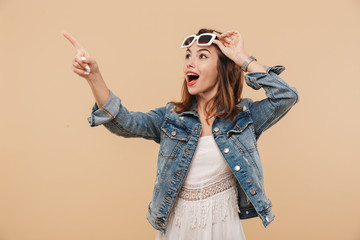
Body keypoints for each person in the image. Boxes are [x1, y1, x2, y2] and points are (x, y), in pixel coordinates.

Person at [63, 28, 299, 239]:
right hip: (178, 227)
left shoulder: (244, 117)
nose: (190, 62)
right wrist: (94, 77)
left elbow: (285, 96)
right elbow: (124, 122)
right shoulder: (171, 117)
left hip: (222, 227)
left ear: (223, 68)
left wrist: (241, 58)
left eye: (202, 56)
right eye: (188, 55)